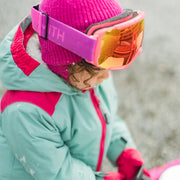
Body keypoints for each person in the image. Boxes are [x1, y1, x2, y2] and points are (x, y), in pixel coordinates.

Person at [0, 0, 151, 179]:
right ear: (64, 64)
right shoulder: (26, 111)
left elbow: (107, 116)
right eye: (96, 73)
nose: (105, 77)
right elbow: (60, 172)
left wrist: (125, 153)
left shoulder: (92, 74)